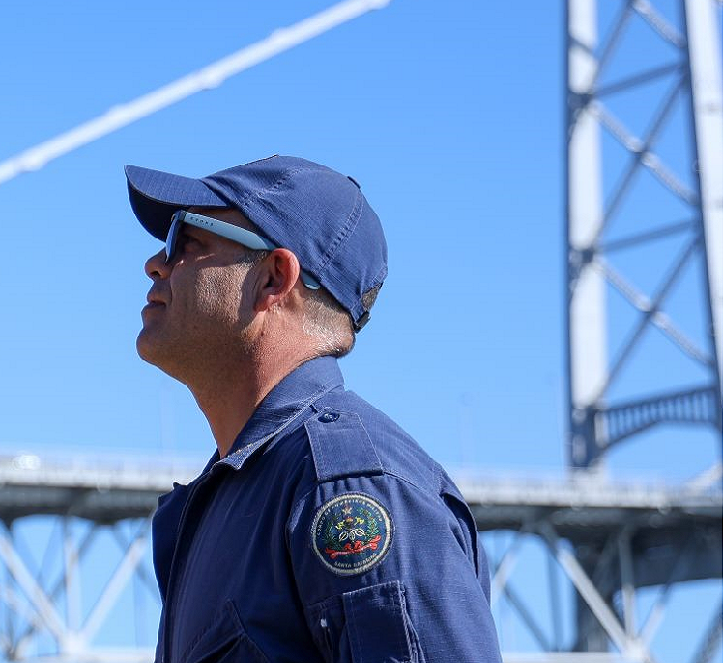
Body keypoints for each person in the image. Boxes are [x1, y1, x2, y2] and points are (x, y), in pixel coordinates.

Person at [127, 156, 501, 662]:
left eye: (185, 240)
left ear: (273, 278)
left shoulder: (346, 484)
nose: (156, 263)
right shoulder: (235, 496)